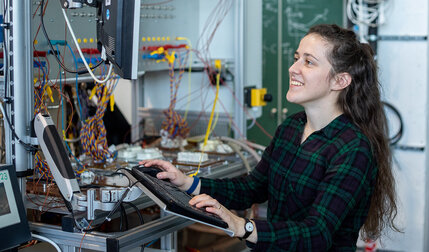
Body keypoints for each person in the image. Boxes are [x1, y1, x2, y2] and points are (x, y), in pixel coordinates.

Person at [140, 24, 399, 251]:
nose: (293, 68)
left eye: (308, 62)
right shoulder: (292, 127)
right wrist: (187, 183)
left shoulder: (353, 149)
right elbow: (253, 187)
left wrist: (243, 226)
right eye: (296, 58)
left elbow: (317, 234)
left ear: (340, 81)